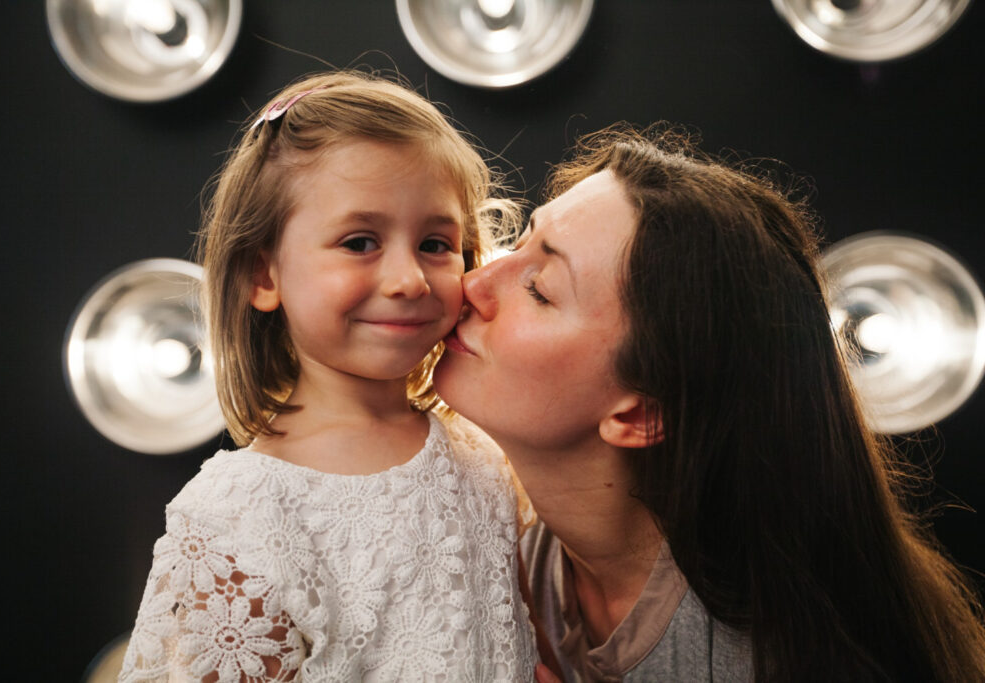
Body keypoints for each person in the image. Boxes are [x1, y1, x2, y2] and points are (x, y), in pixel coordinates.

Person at [435, 124, 985, 682]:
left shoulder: (746, 664)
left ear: (639, 414)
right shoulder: (480, 530)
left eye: (540, 290)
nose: (473, 281)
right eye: (522, 239)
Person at [118, 71, 538, 682]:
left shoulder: (488, 453)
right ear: (263, 275)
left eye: (435, 243)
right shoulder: (242, 514)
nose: (410, 280)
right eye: (361, 241)